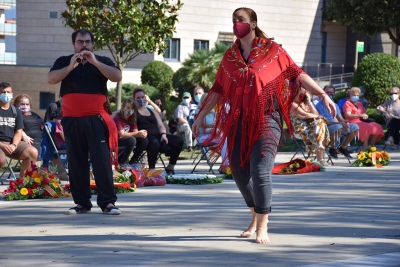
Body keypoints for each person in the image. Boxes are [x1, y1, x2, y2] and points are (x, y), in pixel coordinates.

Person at [192, 7, 336, 244]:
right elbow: (218, 90)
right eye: (233, 20)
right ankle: (254, 216)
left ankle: (263, 225)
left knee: (260, 172)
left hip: (268, 119)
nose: (236, 24)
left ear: (253, 23)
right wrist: (200, 117)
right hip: (238, 121)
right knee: (238, 171)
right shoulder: (230, 56)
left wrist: (323, 94)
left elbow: (297, 74)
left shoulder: (273, 51)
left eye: (241, 20)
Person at [47, 29, 122, 215]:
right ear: (74, 44)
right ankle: (81, 203)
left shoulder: (102, 61)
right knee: (76, 161)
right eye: (80, 42)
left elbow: (117, 76)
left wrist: (94, 62)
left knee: (101, 161)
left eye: (87, 42)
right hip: (72, 120)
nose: (84, 45)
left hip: (96, 119)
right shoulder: (64, 61)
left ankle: (108, 203)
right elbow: (51, 79)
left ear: (92, 43)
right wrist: (71, 66)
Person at [131, 88, 183, 174]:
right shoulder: (132, 111)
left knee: (178, 140)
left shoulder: (151, 110)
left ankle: (170, 166)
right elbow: (119, 113)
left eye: (143, 97)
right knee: (154, 142)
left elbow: (160, 125)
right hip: (144, 138)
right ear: (134, 99)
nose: (141, 100)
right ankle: (152, 169)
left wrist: (163, 134)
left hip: (158, 135)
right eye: (138, 98)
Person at [0, 82, 38, 177]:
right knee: (1, 160)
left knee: (32, 152)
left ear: (12, 94)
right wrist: (2, 146)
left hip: (11, 143)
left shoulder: (16, 111)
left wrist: (14, 145)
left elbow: (18, 132)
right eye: (3, 92)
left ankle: (22, 183)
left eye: (8, 92)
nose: (6, 94)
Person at [315, 85, 359, 159]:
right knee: (338, 127)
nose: (329, 94)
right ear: (323, 93)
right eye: (327, 92)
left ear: (334, 93)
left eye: (331, 92)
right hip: (325, 128)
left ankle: (343, 148)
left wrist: (345, 122)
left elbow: (340, 118)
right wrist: (339, 123)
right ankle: (333, 148)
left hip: (337, 127)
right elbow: (324, 122)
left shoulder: (335, 105)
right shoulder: (318, 106)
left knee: (355, 127)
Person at [290, 91, 330, 165]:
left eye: (305, 94)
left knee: (320, 123)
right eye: (301, 94)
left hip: (311, 128)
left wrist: (310, 102)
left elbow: (316, 115)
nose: (303, 95)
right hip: (300, 130)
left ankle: (319, 144)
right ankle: (321, 159)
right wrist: (319, 117)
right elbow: (305, 115)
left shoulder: (307, 104)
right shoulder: (293, 104)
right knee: (319, 129)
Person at [113, 98, 144, 166]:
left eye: (132, 109)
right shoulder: (117, 117)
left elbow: (135, 132)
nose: (130, 111)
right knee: (132, 139)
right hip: (118, 140)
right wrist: (137, 133)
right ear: (123, 108)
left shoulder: (132, 118)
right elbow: (122, 134)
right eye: (128, 108)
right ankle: (123, 162)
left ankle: (133, 161)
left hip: (128, 140)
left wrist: (142, 133)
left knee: (144, 140)